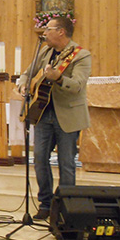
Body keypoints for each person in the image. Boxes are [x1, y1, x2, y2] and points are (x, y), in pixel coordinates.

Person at [19, 17, 91, 220]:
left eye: (48, 29)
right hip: (43, 113)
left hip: (67, 115)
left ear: (61, 31)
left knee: (66, 162)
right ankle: (45, 202)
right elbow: (27, 73)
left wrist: (58, 78)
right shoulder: (45, 51)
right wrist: (23, 84)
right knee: (40, 158)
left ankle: (66, 206)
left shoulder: (81, 55)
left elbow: (77, 85)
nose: (44, 33)